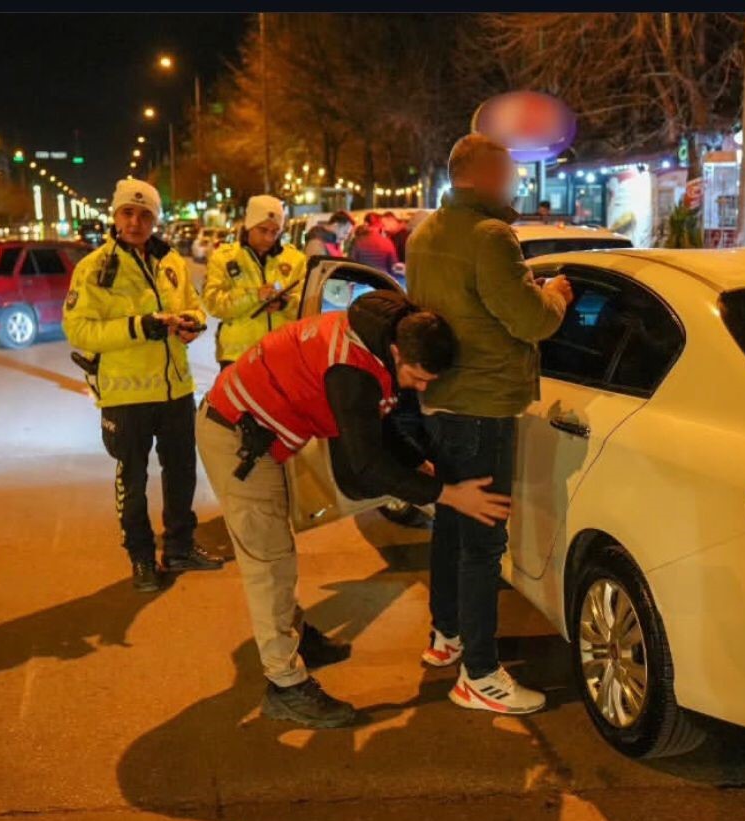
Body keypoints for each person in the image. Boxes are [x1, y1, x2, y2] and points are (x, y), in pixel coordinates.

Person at [197, 290, 511, 728]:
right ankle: (285, 685)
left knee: (279, 550)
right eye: (418, 377)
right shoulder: (353, 369)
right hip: (238, 439)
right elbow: (366, 461)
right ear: (398, 351)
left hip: (264, 433)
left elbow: (376, 431)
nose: (422, 388)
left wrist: (421, 467)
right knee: (269, 560)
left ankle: (295, 637)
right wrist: (448, 493)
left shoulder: (378, 340)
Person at [406, 133, 574, 715]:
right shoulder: (491, 237)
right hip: (484, 406)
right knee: (483, 542)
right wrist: (553, 294)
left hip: (441, 401)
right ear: (482, 174)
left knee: (451, 528)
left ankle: (445, 636)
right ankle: (480, 673)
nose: (516, 184)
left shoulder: (425, 232)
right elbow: (530, 320)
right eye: (509, 173)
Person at [64, 178, 227, 592]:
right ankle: (140, 558)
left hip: (175, 391)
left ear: (155, 219)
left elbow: (193, 304)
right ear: (115, 215)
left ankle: (179, 547)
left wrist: (195, 323)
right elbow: (80, 330)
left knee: (182, 474)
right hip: (126, 394)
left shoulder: (170, 262)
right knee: (133, 481)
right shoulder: (95, 268)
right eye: (128, 213)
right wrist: (142, 327)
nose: (136, 222)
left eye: (145, 215)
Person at [202, 195, 306, 371]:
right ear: (249, 226)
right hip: (238, 357)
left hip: (282, 355)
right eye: (263, 230)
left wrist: (284, 304)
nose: (268, 238)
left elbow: (308, 305)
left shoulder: (296, 260)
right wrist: (254, 296)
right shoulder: (224, 258)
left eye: (275, 232)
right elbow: (214, 305)